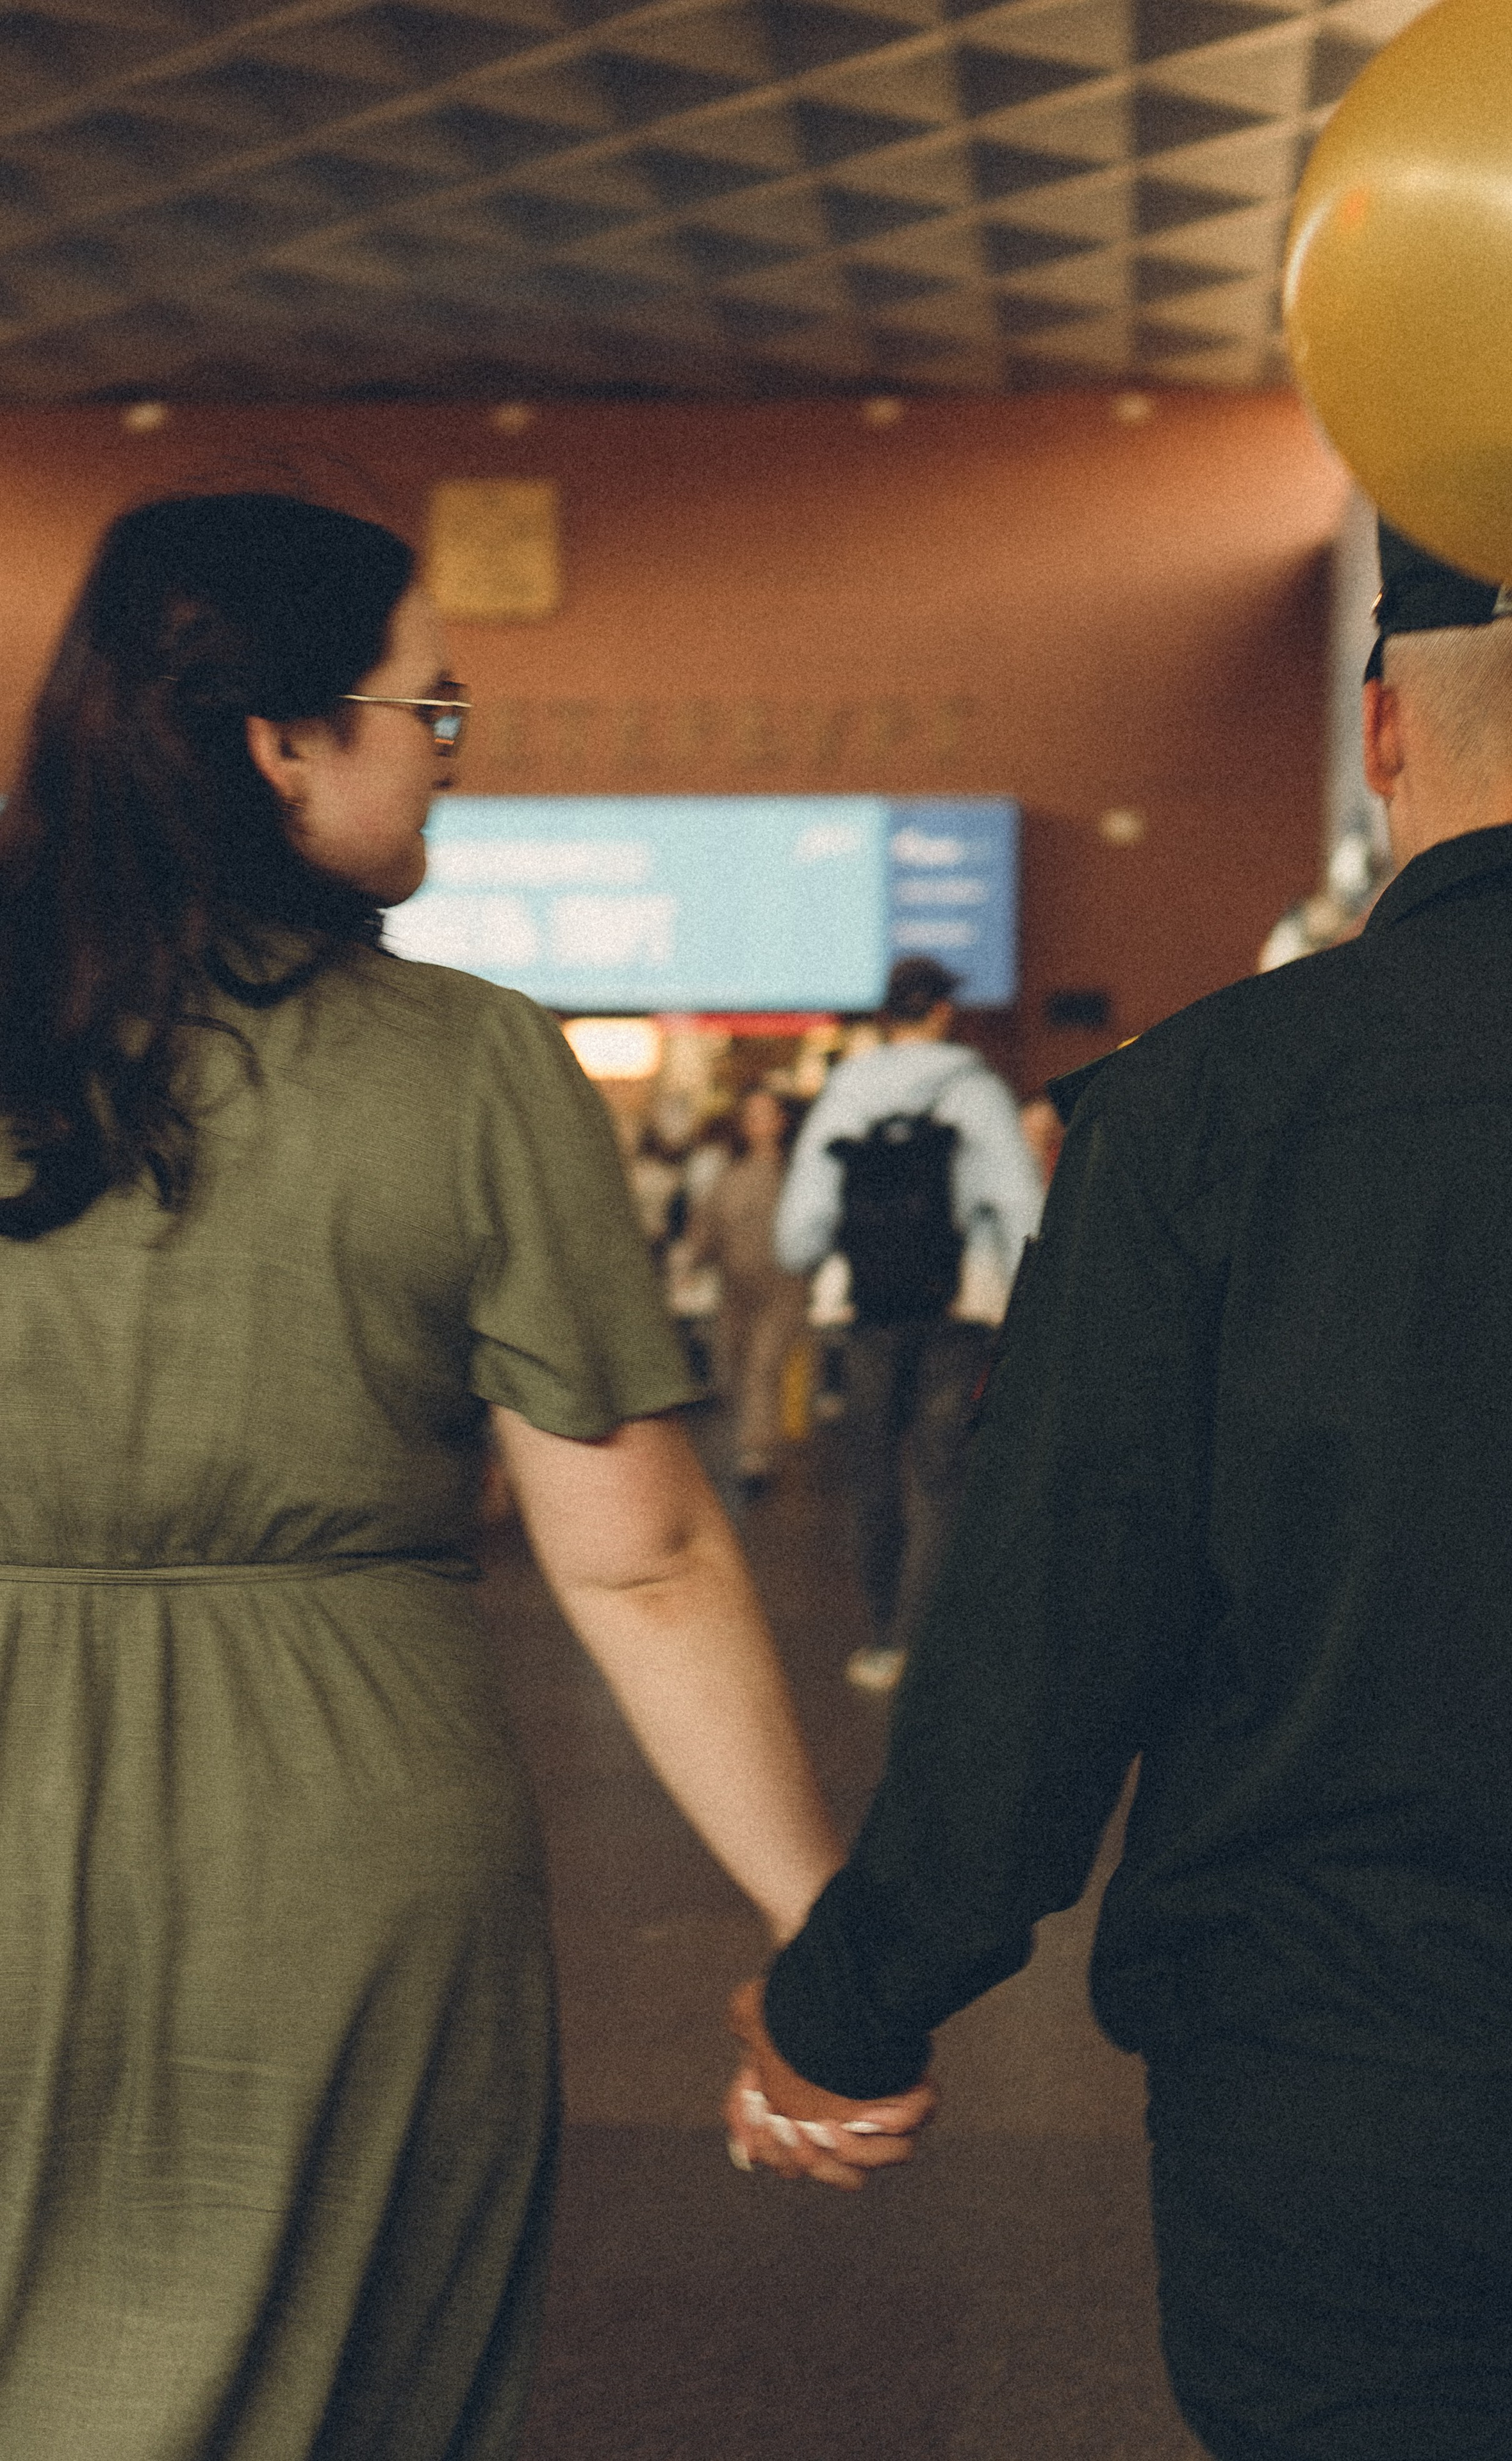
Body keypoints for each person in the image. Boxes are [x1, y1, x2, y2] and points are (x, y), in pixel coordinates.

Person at [727, 521, 1512, 2456]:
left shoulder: (1196, 1109)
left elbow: (1055, 1621)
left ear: (1382, 732)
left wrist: (852, 2002)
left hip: (1336, 2096)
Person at [0, 492, 850, 2460]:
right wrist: (830, 1928)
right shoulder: (469, 1065)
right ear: (279, 737)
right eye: (430, 710)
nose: (453, 762)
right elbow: (631, 1556)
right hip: (341, 1839)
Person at [775, 955, 1042, 1692]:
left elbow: (797, 1231)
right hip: (957, 1310)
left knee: (873, 1472)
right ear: (943, 1013)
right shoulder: (976, 1092)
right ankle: (918, 1644)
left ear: (887, 1015)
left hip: (866, 1310)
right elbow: (1021, 1207)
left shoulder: (846, 1090)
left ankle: (881, 1632)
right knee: (939, 1472)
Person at [684, 1086, 808, 1495]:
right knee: (733, 1368)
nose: (757, 1124)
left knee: (763, 1364)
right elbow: (706, 1231)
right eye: (750, 1115)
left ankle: (756, 1453)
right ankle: (755, 1442)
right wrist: (689, 1262)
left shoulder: (798, 1176)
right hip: (735, 1290)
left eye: (765, 1115)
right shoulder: (729, 1177)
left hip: (784, 1287)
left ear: (781, 1122)